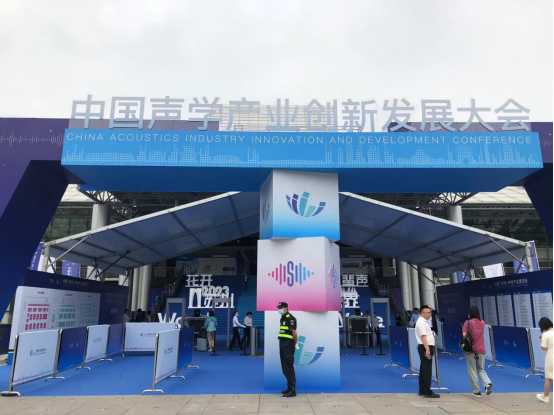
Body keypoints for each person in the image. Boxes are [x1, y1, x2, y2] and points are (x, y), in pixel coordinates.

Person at [462, 306, 492, 397]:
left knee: (472, 370)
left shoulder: (468, 323)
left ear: (470, 314)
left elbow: (464, 334)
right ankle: (487, 383)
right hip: (481, 349)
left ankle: (476, 391)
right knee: (481, 369)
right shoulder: (482, 323)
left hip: (471, 350)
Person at [415, 305, 439, 398]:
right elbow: (423, 337)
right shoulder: (421, 323)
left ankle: (422, 389)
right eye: (428, 313)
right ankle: (427, 391)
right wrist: (428, 349)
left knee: (424, 368)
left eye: (430, 312)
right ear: (422, 313)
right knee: (427, 370)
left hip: (424, 346)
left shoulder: (423, 322)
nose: (430, 314)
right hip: (425, 347)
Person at [277, 302, 297, 398]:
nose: (279, 309)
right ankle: (289, 388)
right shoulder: (282, 318)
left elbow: (294, 334)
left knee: (288, 367)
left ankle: (292, 390)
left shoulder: (291, 318)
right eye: (279, 308)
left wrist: (294, 343)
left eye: (281, 308)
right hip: (282, 345)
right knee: (285, 368)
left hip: (288, 345)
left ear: (286, 308)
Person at [537, 317, 553, 403]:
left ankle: (545, 396)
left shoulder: (545, 335)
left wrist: (541, 341)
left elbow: (544, 347)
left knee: (548, 378)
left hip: (551, 358)